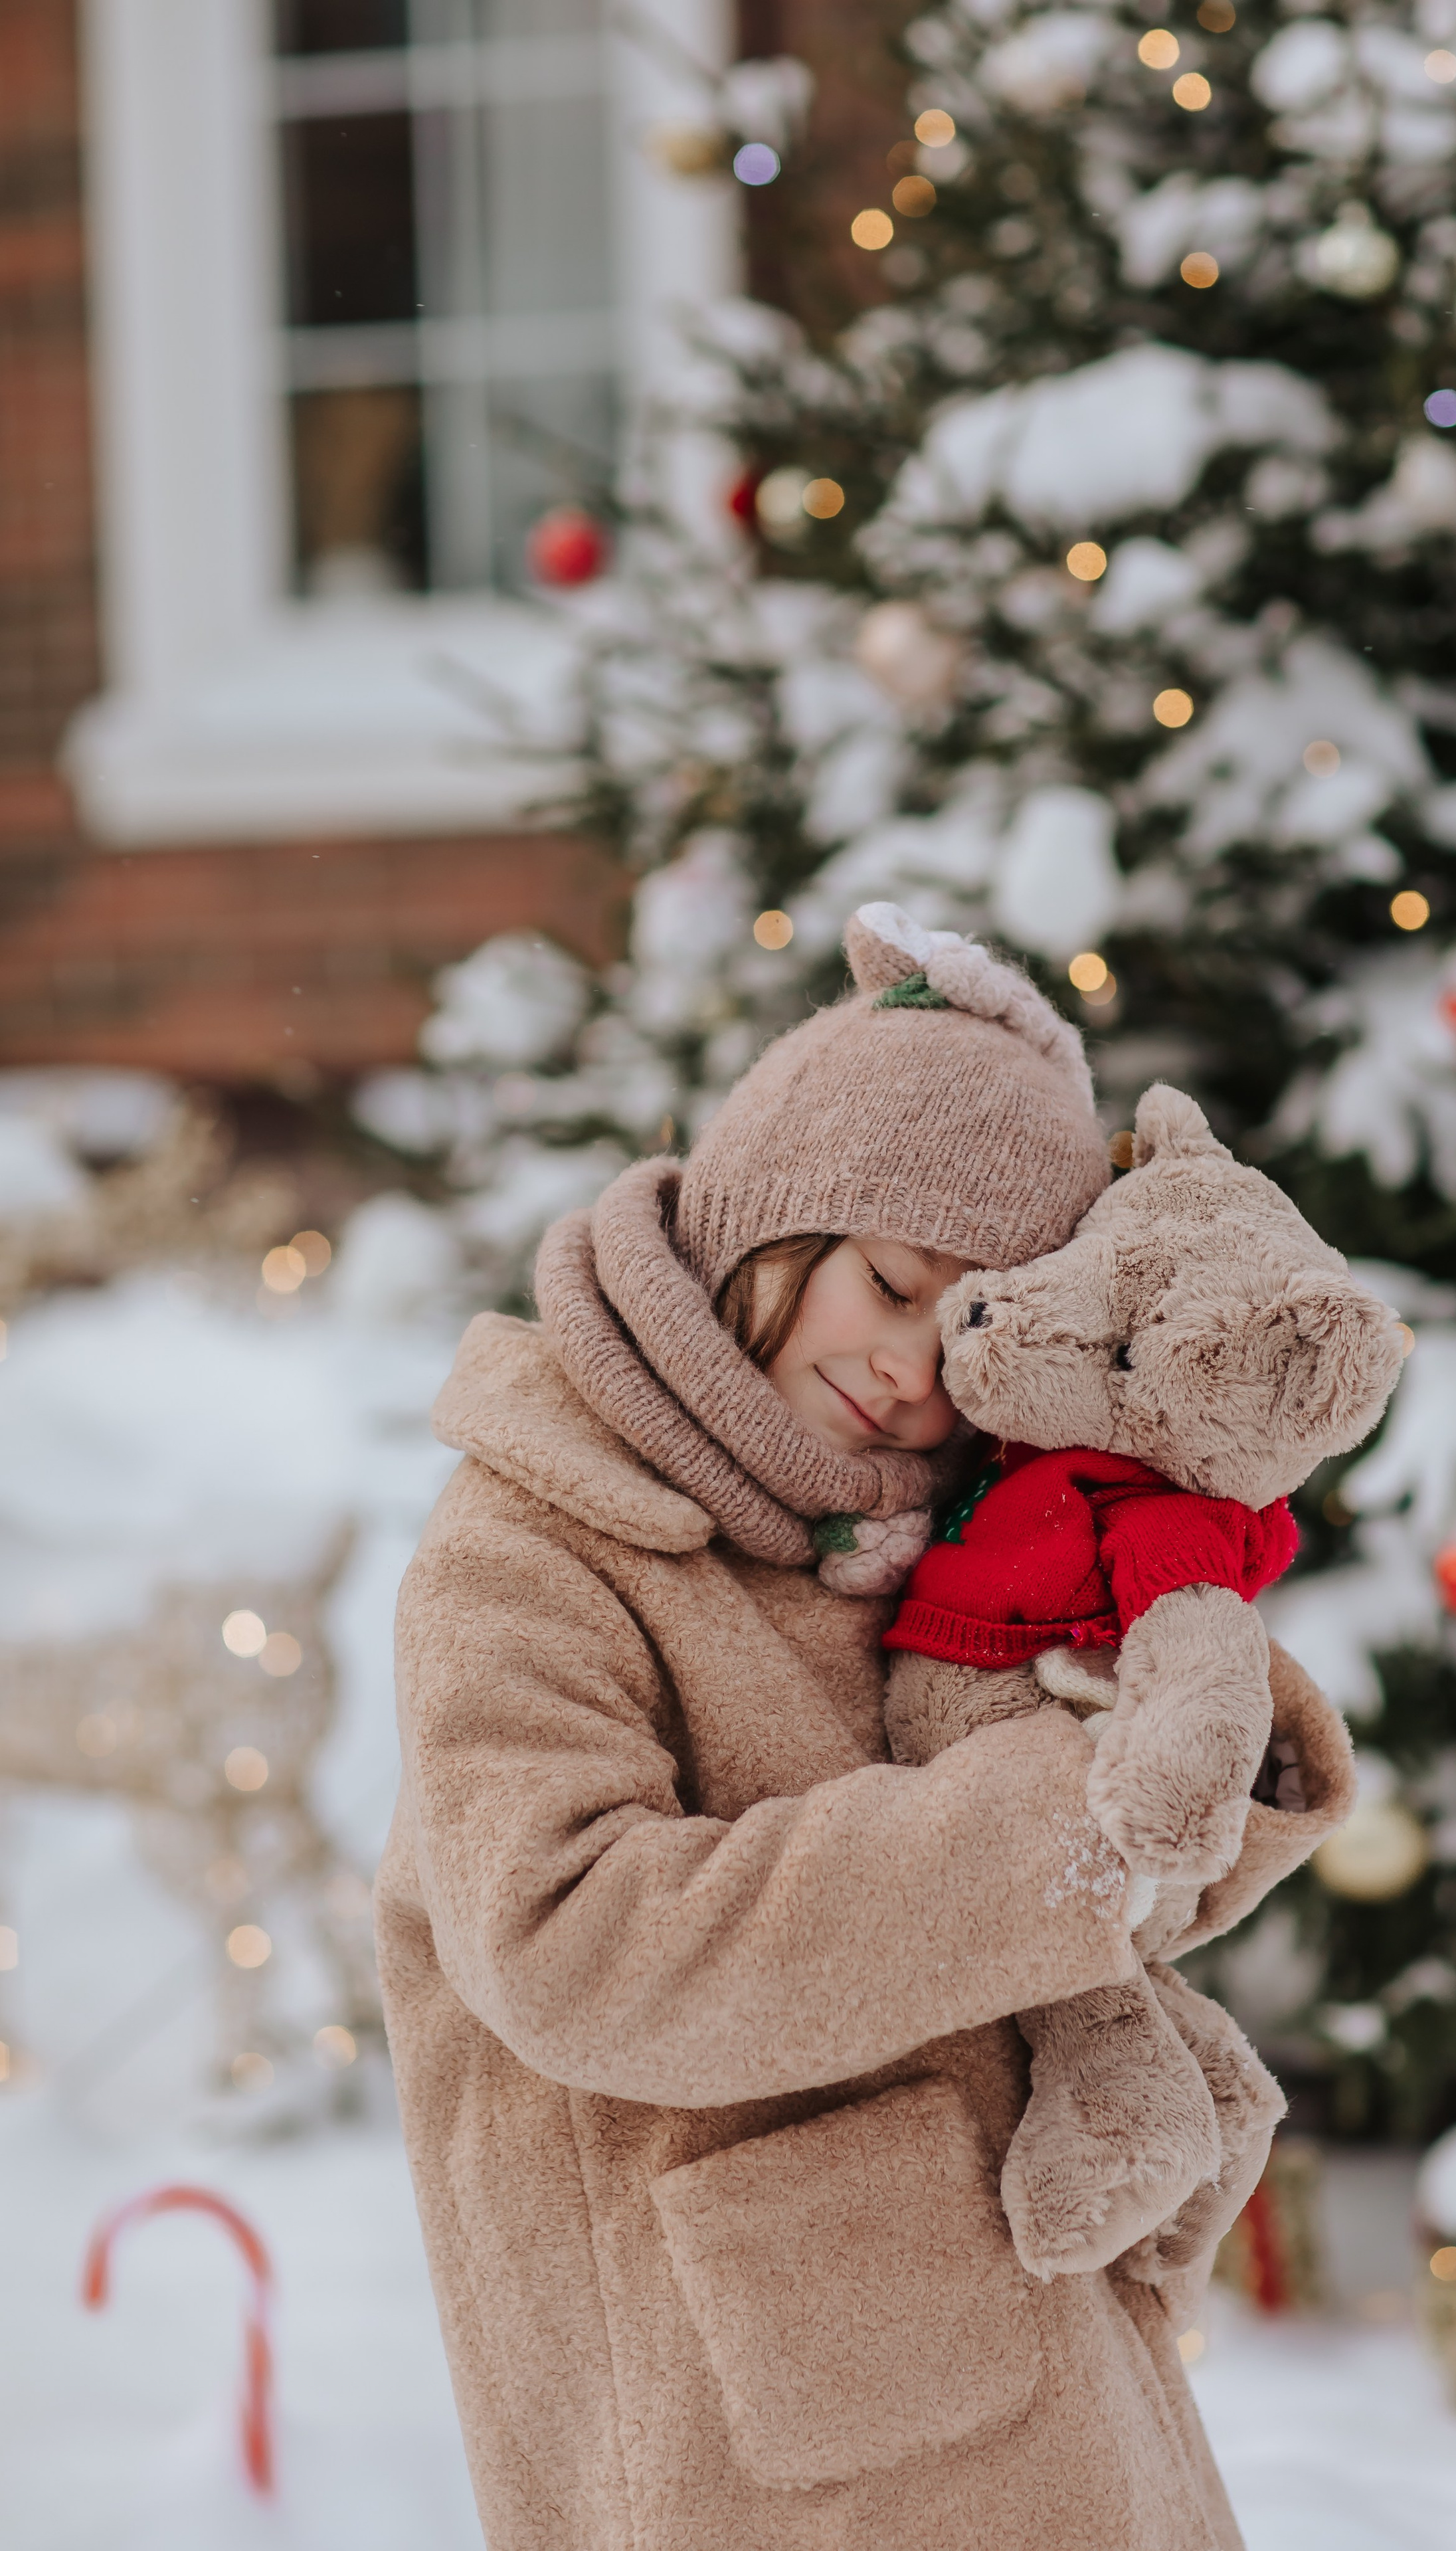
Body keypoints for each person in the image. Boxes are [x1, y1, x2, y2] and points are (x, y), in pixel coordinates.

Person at [377, 908, 1334, 2551]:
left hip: (1026, 2362)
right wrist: (1067, 1813)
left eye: (961, 1332)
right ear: (771, 1226)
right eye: (886, 1284)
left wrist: (1190, 1767)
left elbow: (1102, 1899)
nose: (904, 1371)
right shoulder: (530, 1543)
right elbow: (570, 1943)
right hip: (758, 2429)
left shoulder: (940, 1525)